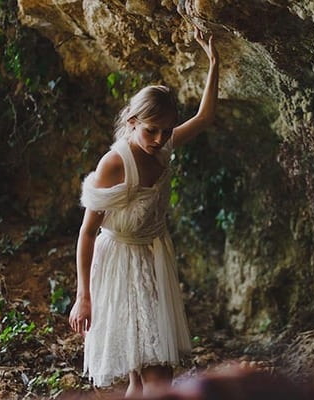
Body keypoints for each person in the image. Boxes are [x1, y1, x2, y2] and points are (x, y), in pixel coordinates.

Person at [68, 26, 219, 397]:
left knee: (145, 374)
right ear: (133, 122)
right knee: (156, 373)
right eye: (151, 130)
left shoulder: (163, 146)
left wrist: (214, 62)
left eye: (166, 131)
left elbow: (202, 118)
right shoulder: (115, 164)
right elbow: (88, 232)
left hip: (154, 258)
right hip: (121, 264)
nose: (159, 139)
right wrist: (83, 295)